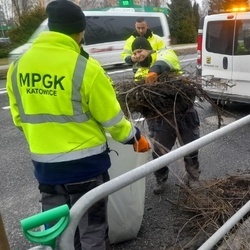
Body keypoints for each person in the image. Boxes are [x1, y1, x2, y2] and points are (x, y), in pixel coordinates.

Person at [6, 0, 150, 249]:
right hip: (86, 168)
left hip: (46, 169)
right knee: (92, 229)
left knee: (57, 231)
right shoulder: (85, 67)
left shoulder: (19, 65)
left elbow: (19, 118)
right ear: (80, 32)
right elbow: (113, 120)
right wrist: (134, 136)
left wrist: (46, 139)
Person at [131, 37, 201, 194]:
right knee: (159, 152)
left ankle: (193, 177)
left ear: (148, 49)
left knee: (191, 146)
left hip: (184, 111)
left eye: (140, 51)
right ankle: (161, 178)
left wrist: (154, 70)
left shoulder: (164, 54)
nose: (138, 55)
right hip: (161, 117)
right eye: (134, 53)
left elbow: (167, 58)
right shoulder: (139, 72)